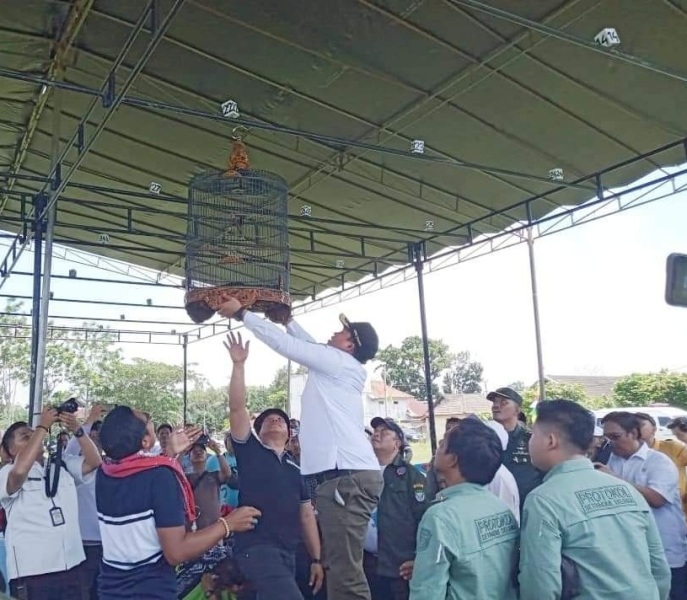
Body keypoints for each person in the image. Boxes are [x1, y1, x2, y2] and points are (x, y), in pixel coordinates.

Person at [219, 300, 382, 600]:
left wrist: (243, 313)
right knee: (342, 568)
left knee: (345, 573)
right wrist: (289, 321)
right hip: (343, 478)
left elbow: (290, 347)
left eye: (341, 331)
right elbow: (308, 347)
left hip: (345, 477)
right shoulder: (338, 365)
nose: (335, 332)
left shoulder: (338, 363)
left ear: (349, 343)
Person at [96, 406, 261, 600]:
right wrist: (228, 524)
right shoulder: (160, 477)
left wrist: (169, 453)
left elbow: (139, 481)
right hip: (149, 591)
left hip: (111, 589)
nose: (150, 418)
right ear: (146, 441)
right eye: (146, 418)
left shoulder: (105, 472)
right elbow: (177, 551)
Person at [519, 400, 671, 600]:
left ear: (550, 440)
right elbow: (659, 568)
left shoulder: (543, 499)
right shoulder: (627, 490)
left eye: (532, 435)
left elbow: (541, 585)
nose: (528, 442)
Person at [225, 332, 324, 600]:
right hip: (256, 546)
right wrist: (238, 365)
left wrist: (316, 558)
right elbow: (236, 408)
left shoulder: (296, 469)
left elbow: (306, 515)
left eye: (281, 420)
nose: (276, 421)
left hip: (288, 552)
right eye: (269, 419)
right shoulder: (250, 451)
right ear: (257, 430)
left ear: (290, 434)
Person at [409, 419, 518, 600]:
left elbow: (427, 591)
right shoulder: (500, 507)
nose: (437, 448)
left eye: (443, 444)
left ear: (452, 460)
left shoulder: (440, 516)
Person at [0, 406, 102, 600]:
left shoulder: (60, 465)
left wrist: (78, 429)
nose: (34, 437)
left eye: (35, 434)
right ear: (11, 450)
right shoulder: (7, 473)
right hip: (34, 573)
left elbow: (94, 462)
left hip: (72, 567)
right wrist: (42, 426)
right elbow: (20, 472)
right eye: (25, 436)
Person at [597, 411, 687, 599]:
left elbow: (657, 499)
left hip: (665, 547)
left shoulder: (659, 462)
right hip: (629, 549)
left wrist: (615, 480)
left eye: (616, 436)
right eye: (606, 437)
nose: (610, 442)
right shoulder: (608, 460)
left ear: (634, 434)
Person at [367, 417, 431, 600]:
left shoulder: (411, 476)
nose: (377, 434)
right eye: (375, 432)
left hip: (398, 566)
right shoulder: (361, 471)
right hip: (367, 562)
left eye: (384, 432)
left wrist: (419, 558)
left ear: (397, 443)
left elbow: (424, 518)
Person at [64, 404, 106, 600]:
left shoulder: (112, 465)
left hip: (107, 542)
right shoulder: (75, 467)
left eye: (98, 438)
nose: (94, 442)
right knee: (83, 592)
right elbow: (70, 449)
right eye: (92, 437)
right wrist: (87, 422)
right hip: (84, 542)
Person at [488, 387, 543, 509]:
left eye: (503, 402)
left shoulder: (531, 439)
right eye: (494, 402)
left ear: (517, 410)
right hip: (493, 506)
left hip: (527, 506)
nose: (496, 406)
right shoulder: (483, 439)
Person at [636, 412, 687, 518]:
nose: (637, 429)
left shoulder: (673, 448)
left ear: (654, 430)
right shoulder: (621, 455)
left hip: (677, 513)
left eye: (641, 424)